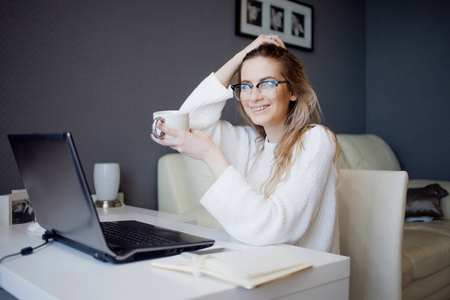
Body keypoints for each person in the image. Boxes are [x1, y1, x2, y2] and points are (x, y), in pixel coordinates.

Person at [151, 34, 341, 254]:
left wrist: (210, 153)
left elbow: (272, 228)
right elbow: (189, 121)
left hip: (305, 279)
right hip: (255, 268)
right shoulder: (251, 143)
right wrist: (242, 56)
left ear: (293, 91)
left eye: (267, 83)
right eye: (246, 86)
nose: (254, 97)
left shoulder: (316, 140)